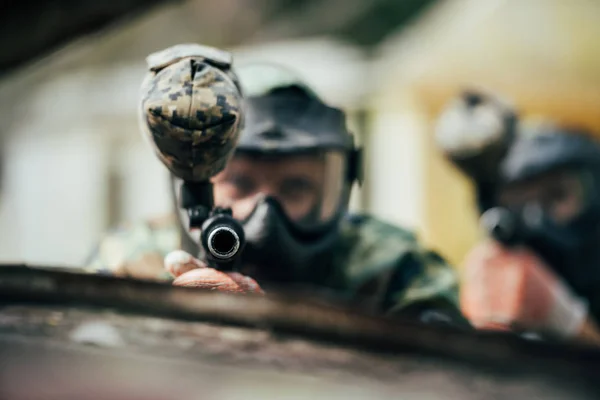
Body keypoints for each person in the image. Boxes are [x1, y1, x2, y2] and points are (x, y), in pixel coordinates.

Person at [87, 43, 469, 326]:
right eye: (239, 182)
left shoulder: (391, 267)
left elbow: (455, 370)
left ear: (340, 186)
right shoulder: (133, 261)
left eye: (296, 186)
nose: (265, 212)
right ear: (192, 180)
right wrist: (162, 328)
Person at [436, 91, 600, 344]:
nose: (538, 221)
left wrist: (572, 325)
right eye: (518, 206)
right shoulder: (506, 266)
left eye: (556, 196)